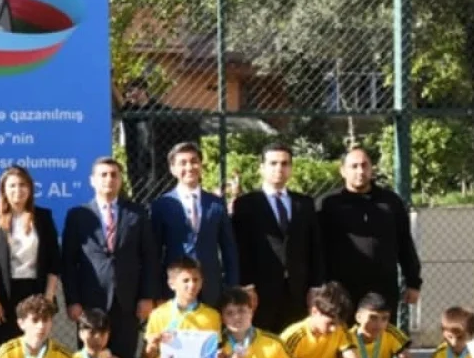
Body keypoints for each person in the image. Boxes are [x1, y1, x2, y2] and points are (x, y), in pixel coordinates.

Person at [61, 157, 159, 358]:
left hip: (127, 302)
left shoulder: (137, 214)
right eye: (103, 175)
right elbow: (68, 262)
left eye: (114, 174)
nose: (109, 179)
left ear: (120, 180)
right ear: (92, 180)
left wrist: (146, 296)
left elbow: (150, 257)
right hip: (90, 303)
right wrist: (73, 301)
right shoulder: (78, 216)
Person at [230, 144, 324, 333]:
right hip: (260, 292)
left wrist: (316, 286)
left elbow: (315, 247)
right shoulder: (246, 204)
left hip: (298, 291)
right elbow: (240, 249)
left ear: (291, 168)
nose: (279, 169)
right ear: (262, 168)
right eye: (273, 163)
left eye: (284, 163)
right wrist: (246, 286)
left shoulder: (304, 204)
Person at [317, 146, 422, 313]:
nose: (360, 171)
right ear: (343, 171)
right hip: (341, 292)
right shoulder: (327, 204)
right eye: (354, 166)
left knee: (383, 338)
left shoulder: (391, 202)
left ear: (372, 168)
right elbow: (317, 250)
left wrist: (413, 282)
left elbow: (405, 243)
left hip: (383, 290)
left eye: (364, 165)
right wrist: (320, 286)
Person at [0, 166, 61, 355]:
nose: (18, 190)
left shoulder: (43, 217)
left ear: (30, 188)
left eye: (23, 185)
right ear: (3, 190)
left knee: (35, 350)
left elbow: (54, 260)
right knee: (3, 352)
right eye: (12, 186)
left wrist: (48, 297)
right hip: (3, 297)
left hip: (36, 293)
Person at [148, 142, 239, 307]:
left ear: (201, 165)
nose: (189, 167)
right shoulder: (161, 205)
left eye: (194, 161)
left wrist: (232, 287)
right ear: (173, 169)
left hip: (210, 286)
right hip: (175, 287)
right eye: (183, 163)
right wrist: (156, 292)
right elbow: (153, 252)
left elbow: (228, 248)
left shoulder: (216, 203)